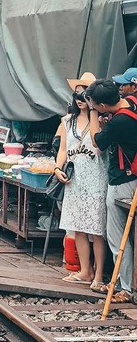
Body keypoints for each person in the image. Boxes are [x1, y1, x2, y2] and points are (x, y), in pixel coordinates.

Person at [54, 73, 107, 290]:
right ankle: (85, 270)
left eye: (84, 94)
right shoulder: (68, 121)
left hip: (95, 176)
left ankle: (99, 274)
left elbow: (101, 147)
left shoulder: (102, 120)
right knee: (77, 226)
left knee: (96, 227)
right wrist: (57, 167)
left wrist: (95, 112)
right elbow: (63, 149)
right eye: (77, 93)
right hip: (75, 177)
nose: (79, 98)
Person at [87, 79, 137, 302]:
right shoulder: (132, 103)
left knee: (118, 238)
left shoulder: (118, 123)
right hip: (133, 178)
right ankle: (120, 281)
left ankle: (124, 287)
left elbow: (98, 142)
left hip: (121, 182)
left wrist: (92, 116)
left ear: (103, 106)